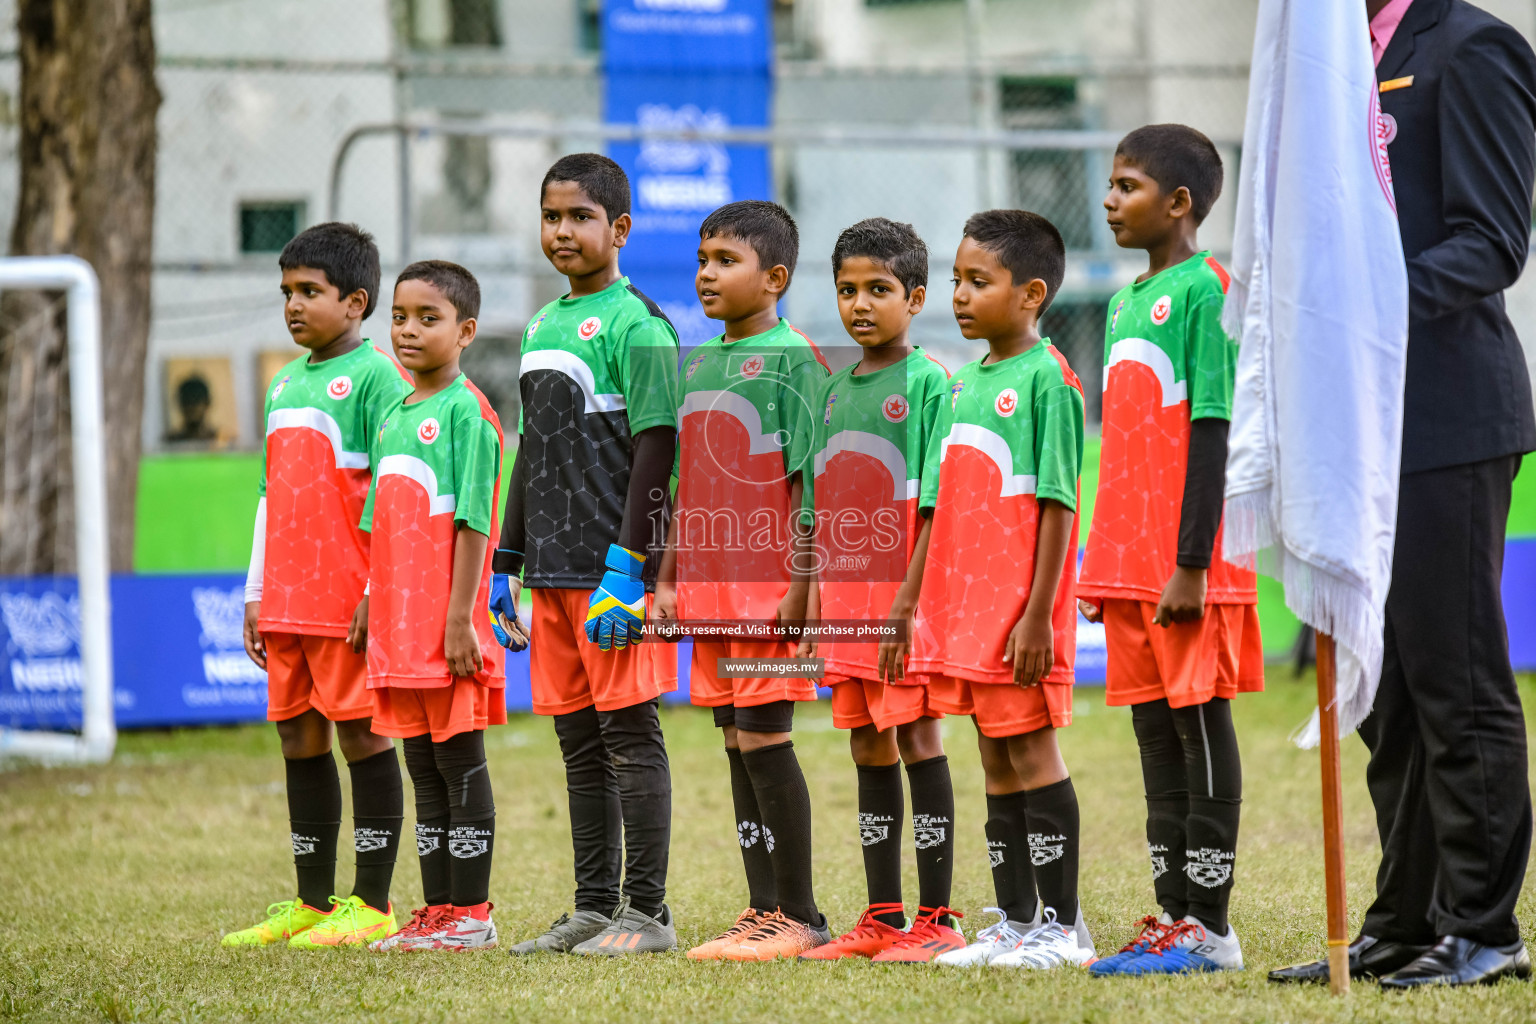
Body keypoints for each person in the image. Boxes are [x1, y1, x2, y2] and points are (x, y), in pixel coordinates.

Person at [1272, 0, 1536, 989]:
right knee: (1382, 693)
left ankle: (1484, 928)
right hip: (1355, 426)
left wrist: (1358, 309)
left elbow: (1491, 239)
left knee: (1454, 679)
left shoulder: (1470, 47)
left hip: (1443, 414)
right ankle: (1404, 919)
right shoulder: (1327, 53)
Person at [1077, 125, 1261, 977]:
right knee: (1155, 736)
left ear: (1179, 203)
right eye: (1110, 187)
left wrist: (1193, 561)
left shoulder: (1208, 290)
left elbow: (1215, 430)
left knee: (1199, 723)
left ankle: (1213, 928)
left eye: (1127, 187)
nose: (1109, 201)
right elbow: (1127, 444)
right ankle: (1174, 915)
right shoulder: (1120, 303)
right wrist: (1102, 561)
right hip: (1127, 564)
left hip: (1190, 566)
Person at [492, 154, 681, 956]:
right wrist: (506, 563)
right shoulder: (539, 328)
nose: (562, 231)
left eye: (579, 217)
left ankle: (649, 915)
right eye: (551, 216)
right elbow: (532, 450)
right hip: (551, 573)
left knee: (630, 735)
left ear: (620, 229)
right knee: (578, 741)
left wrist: (628, 568)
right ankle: (594, 908)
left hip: (611, 573)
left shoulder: (639, 325)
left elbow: (659, 449)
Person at [226, 222, 411, 949]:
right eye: (286, 292)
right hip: (289, 603)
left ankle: (373, 902)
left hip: (349, 602)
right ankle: (314, 903)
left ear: (356, 301)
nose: (293, 305)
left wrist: (378, 593)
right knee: (299, 740)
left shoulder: (378, 380)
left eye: (310, 292)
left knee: (363, 739)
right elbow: (272, 497)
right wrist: (255, 590)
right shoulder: (282, 383)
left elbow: (396, 495)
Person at [654, 200, 830, 962]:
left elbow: (817, 485)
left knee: (766, 740)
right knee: (733, 741)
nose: (707, 274)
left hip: (768, 596)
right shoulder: (699, 363)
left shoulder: (796, 361)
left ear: (776, 277)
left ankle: (802, 914)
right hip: (711, 593)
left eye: (727, 261)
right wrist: (667, 581)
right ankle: (761, 909)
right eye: (703, 260)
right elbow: (685, 485)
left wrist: (802, 587)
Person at [919, 210, 1095, 971]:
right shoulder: (962, 385)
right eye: (956, 280)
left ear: (1029, 294)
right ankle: (1017, 923)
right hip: (969, 618)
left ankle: (1062, 928)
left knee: (1033, 752)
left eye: (976, 282)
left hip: (1020, 618)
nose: (958, 295)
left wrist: (1037, 615)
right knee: (993, 759)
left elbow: (1058, 503)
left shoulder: (1048, 380)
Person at [793, 218, 963, 963]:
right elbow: (815, 515)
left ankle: (940, 918)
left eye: (879, 290)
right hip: (847, 614)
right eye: (847, 290)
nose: (860, 304)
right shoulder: (831, 392)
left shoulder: (929, 384)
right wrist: (810, 611)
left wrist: (907, 606)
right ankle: (883, 916)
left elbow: (935, 508)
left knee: (918, 738)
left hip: (902, 611)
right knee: (867, 745)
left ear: (915, 297)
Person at [364, 260, 507, 952]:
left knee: (459, 761)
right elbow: (380, 524)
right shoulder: (394, 412)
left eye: (429, 318)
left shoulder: (468, 412)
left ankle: (472, 913)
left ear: (466, 330)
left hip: (445, 628)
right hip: (397, 628)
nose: (409, 330)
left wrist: (459, 619)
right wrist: (369, 599)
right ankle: (437, 909)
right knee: (420, 765)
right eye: (399, 316)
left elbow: (475, 521)